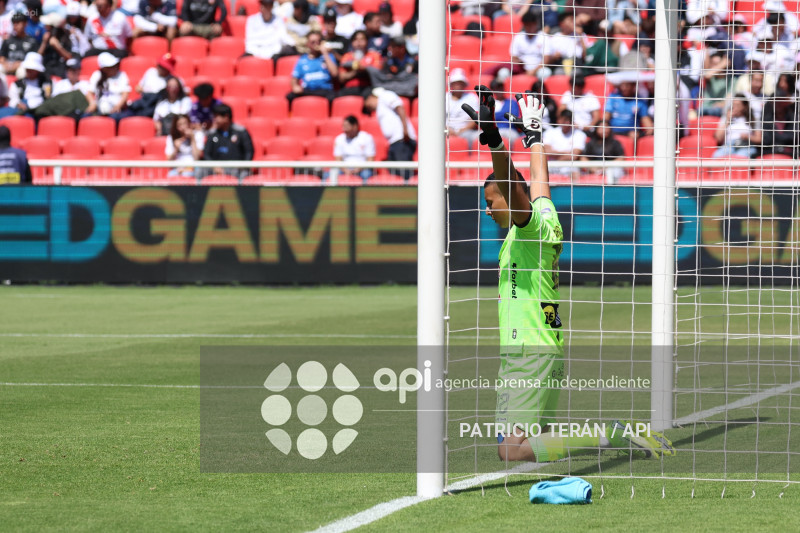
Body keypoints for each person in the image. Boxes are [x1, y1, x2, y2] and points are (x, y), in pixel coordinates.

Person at [461, 86, 675, 464]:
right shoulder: (546, 217)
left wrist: (495, 139)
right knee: (539, 441)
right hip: (546, 347)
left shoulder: (528, 231)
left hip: (526, 350)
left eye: (490, 202)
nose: (489, 210)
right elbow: (537, 182)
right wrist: (535, 138)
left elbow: (515, 188)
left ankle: (611, 433)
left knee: (510, 450)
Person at [361, 87, 416, 179]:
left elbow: (400, 107)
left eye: (368, 105)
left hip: (402, 140)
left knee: (403, 173)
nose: (369, 108)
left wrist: (405, 130)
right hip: (395, 142)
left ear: (370, 97)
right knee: (395, 172)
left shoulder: (384, 95)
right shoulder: (380, 106)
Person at [200, 103, 254, 180]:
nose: (214, 120)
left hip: (237, 169)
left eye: (216, 117)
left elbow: (249, 152)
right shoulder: (212, 134)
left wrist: (243, 166)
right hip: (216, 169)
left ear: (226, 117)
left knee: (244, 175)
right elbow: (206, 154)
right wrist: (214, 166)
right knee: (200, 172)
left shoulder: (241, 131)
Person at [287, 30, 337, 104]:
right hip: (308, 90)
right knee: (290, 96)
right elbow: (294, 78)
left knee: (334, 97)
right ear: (308, 44)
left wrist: (325, 53)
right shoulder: (302, 60)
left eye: (318, 41)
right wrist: (295, 86)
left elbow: (335, 73)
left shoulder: (328, 57)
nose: (316, 44)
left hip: (325, 90)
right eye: (313, 42)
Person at [542, 109, 586, 179]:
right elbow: (546, 151)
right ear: (559, 120)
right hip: (552, 167)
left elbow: (574, 155)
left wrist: (557, 158)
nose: (567, 122)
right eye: (564, 120)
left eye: (569, 120)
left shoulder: (580, 134)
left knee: (575, 174)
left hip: (569, 167)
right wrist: (566, 152)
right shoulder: (549, 132)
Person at [87, 51, 131, 120]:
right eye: (111, 67)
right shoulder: (97, 75)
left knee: (115, 118)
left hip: (117, 110)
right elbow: (89, 92)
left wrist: (118, 106)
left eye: (116, 65)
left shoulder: (121, 75)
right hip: (100, 109)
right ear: (104, 69)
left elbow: (125, 93)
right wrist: (92, 103)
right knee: (86, 116)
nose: (115, 68)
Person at [713, 94, 759, 158]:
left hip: (746, 146)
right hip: (729, 146)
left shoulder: (753, 119)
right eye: (733, 105)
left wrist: (748, 137)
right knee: (717, 156)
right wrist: (728, 120)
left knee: (741, 158)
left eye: (737, 105)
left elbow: (759, 139)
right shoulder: (726, 118)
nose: (734, 107)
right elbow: (718, 138)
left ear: (745, 106)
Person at [332, 114, 375, 181]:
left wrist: (358, 169)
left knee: (366, 174)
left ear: (355, 126)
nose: (344, 129)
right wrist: (345, 170)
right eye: (343, 126)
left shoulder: (367, 137)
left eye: (346, 126)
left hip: (362, 169)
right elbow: (338, 159)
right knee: (330, 174)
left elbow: (370, 159)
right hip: (344, 169)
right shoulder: (339, 139)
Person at [338, 29, 382, 95]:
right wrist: (356, 71)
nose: (358, 42)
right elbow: (341, 78)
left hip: (369, 88)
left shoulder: (374, 55)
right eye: (355, 39)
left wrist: (364, 69)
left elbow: (377, 74)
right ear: (352, 42)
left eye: (362, 39)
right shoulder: (346, 56)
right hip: (349, 88)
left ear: (367, 41)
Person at [446, 68, 480, 148]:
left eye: (460, 83)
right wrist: (448, 129)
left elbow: (475, 118)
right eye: (456, 83)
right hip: (446, 130)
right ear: (451, 85)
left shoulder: (472, 98)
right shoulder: (444, 97)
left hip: (467, 131)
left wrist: (462, 130)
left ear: (464, 84)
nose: (458, 86)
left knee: (478, 137)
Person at [510, 10, 545, 77]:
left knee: (544, 73)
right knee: (504, 72)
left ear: (536, 24)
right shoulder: (518, 37)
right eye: (527, 25)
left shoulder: (543, 37)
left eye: (531, 25)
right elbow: (513, 57)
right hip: (521, 69)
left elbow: (546, 58)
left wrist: (534, 71)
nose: (529, 27)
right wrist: (520, 64)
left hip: (539, 69)